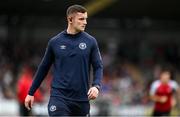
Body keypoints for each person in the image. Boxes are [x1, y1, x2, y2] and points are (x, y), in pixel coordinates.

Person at [24, 4, 103, 116]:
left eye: (86, 19)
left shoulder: (91, 42)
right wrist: (31, 93)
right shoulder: (55, 42)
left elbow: (98, 66)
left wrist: (96, 86)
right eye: (81, 19)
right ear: (70, 19)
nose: (85, 22)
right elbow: (43, 68)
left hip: (81, 100)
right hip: (59, 97)